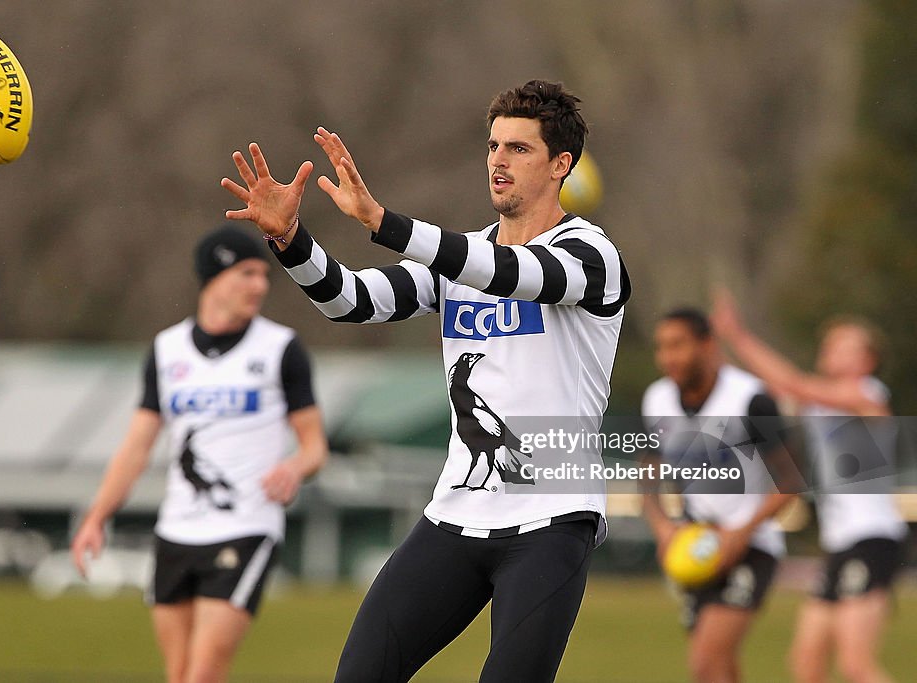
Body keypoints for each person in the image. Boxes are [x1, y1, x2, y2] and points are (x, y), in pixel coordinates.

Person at [221, 79, 631, 682]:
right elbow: (350, 300)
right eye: (493, 145)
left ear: (560, 165)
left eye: (519, 148)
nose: (498, 159)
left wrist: (384, 221)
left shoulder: (590, 257)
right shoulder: (463, 259)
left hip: (551, 522)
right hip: (456, 514)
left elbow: (513, 272)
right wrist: (291, 241)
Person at [70, 225, 328, 683]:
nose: (259, 286)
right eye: (246, 273)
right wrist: (97, 516)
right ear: (214, 276)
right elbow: (136, 447)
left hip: (246, 528)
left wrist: (294, 467)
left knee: (203, 674)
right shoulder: (167, 350)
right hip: (176, 532)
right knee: (179, 675)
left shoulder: (280, 349)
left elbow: (314, 446)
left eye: (263, 275)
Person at [711, 290, 907, 683]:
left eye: (843, 345)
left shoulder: (867, 394)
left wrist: (739, 335)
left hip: (871, 540)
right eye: (830, 342)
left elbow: (792, 383)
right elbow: (764, 385)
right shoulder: (822, 401)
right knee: (806, 662)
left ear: (867, 361)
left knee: (856, 664)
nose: (831, 347)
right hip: (840, 544)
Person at [640, 308, 796, 683]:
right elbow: (648, 473)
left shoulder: (750, 399)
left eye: (678, 345)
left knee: (705, 663)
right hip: (695, 548)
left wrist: (740, 534)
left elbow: (791, 481)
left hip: (751, 545)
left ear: (707, 345)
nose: (668, 357)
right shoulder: (656, 400)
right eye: (662, 347)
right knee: (720, 669)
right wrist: (662, 526)